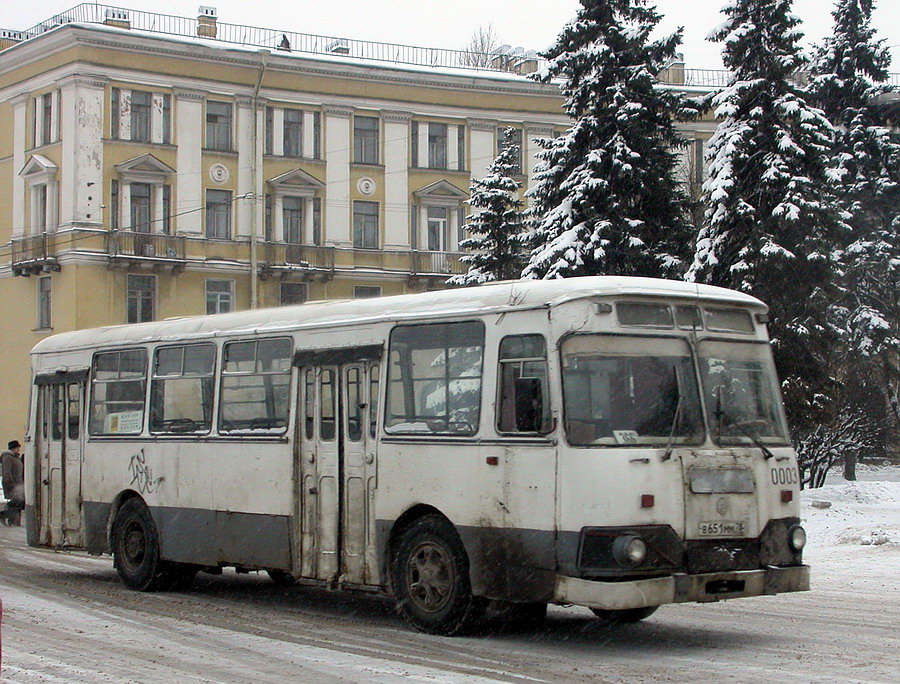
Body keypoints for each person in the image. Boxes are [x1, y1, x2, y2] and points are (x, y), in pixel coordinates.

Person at [1, 440, 25, 526]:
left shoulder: (15, 457)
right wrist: (10, 483)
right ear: (13, 448)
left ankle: (13, 521)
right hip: (12, 483)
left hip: (18, 483)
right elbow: (6, 472)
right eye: (17, 447)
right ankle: (4, 515)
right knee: (18, 501)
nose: (18, 449)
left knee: (18, 502)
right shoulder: (7, 457)